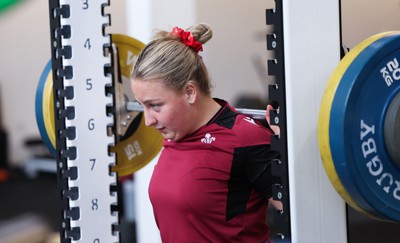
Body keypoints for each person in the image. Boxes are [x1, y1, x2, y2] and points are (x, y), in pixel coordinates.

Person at [130, 23, 282, 243]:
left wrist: (288, 148)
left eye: (155, 106)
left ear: (190, 92)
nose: (147, 121)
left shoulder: (244, 138)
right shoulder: (176, 133)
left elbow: (304, 219)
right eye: (142, 105)